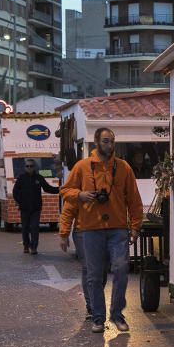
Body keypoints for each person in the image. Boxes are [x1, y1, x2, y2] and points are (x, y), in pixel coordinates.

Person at [60, 127, 143, 333]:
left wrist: (135, 226)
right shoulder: (82, 167)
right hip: (90, 229)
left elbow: (134, 199)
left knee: (122, 269)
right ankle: (98, 317)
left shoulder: (123, 168)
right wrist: (80, 195)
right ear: (96, 142)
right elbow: (65, 191)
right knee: (95, 275)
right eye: (105, 141)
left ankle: (117, 314)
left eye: (112, 141)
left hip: (118, 229)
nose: (109, 145)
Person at [13, 159, 59, 254]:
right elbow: (15, 192)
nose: (29, 168)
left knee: (34, 227)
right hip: (24, 208)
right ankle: (26, 245)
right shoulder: (21, 178)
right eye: (27, 166)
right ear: (25, 167)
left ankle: (34, 247)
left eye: (31, 166)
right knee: (25, 228)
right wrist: (19, 202)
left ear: (34, 167)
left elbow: (47, 188)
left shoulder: (39, 178)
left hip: (36, 208)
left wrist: (60, 190)